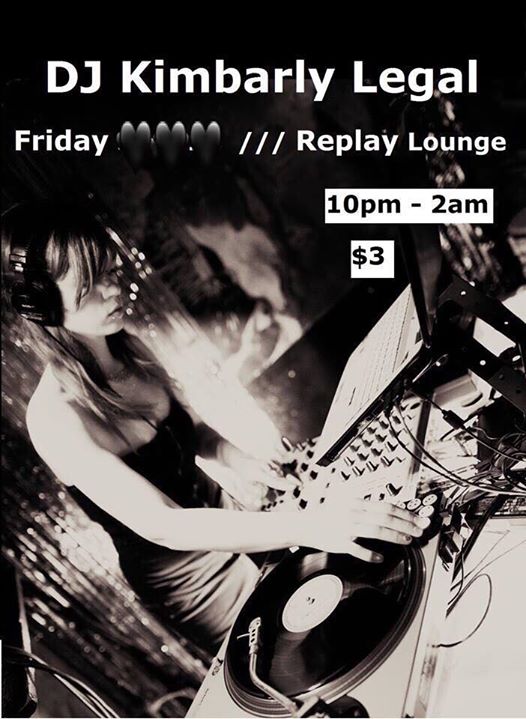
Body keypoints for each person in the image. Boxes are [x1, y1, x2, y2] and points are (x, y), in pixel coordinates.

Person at [2, 201, 428, 654]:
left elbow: (195, 434)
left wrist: (246, 460)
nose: (113, 289)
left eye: (110, 271)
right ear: (41, 307)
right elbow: (164, 524)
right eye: (90, 287)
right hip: (192, 578)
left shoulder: (129, 345)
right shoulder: (55, 419)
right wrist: (307, 525)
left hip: (229, 516)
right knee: (289, 651)